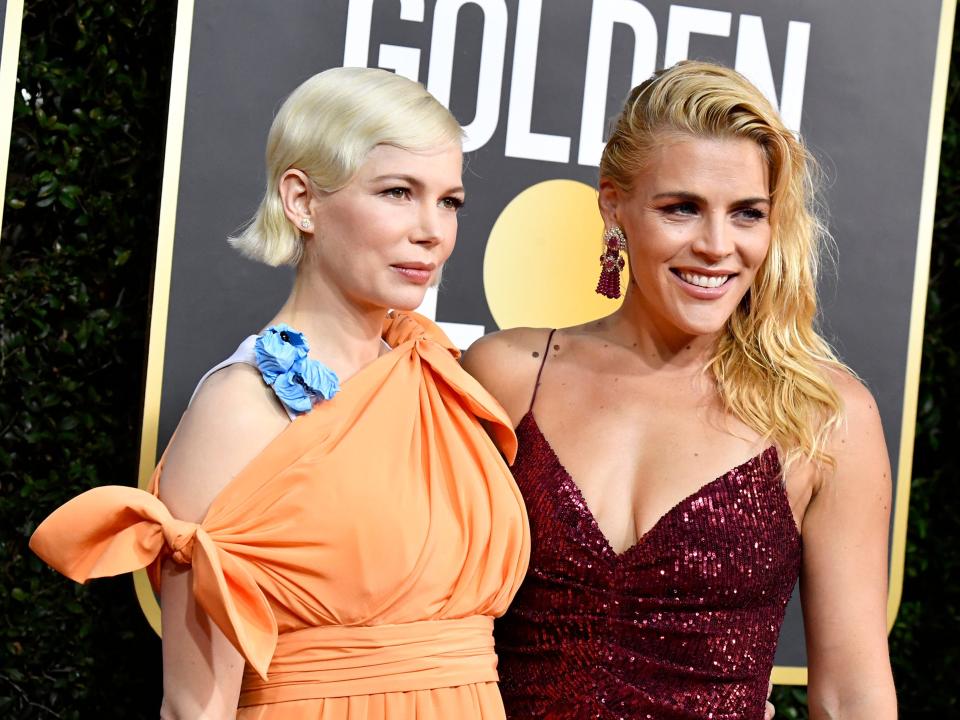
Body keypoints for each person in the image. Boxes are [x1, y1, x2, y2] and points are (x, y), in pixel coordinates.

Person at [30, 67, 529, 719]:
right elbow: (192, 708)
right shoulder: (240, 409)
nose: (432, 230)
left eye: (449, 200)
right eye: (398, 192)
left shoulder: (437, 374)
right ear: (301, 201)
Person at [464, 61, 897, 719]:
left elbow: (850, 695)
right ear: (615, 206)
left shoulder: (822, 416)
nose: (718, 246)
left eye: (747, 213)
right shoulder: (508, 374)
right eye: (682, 209)